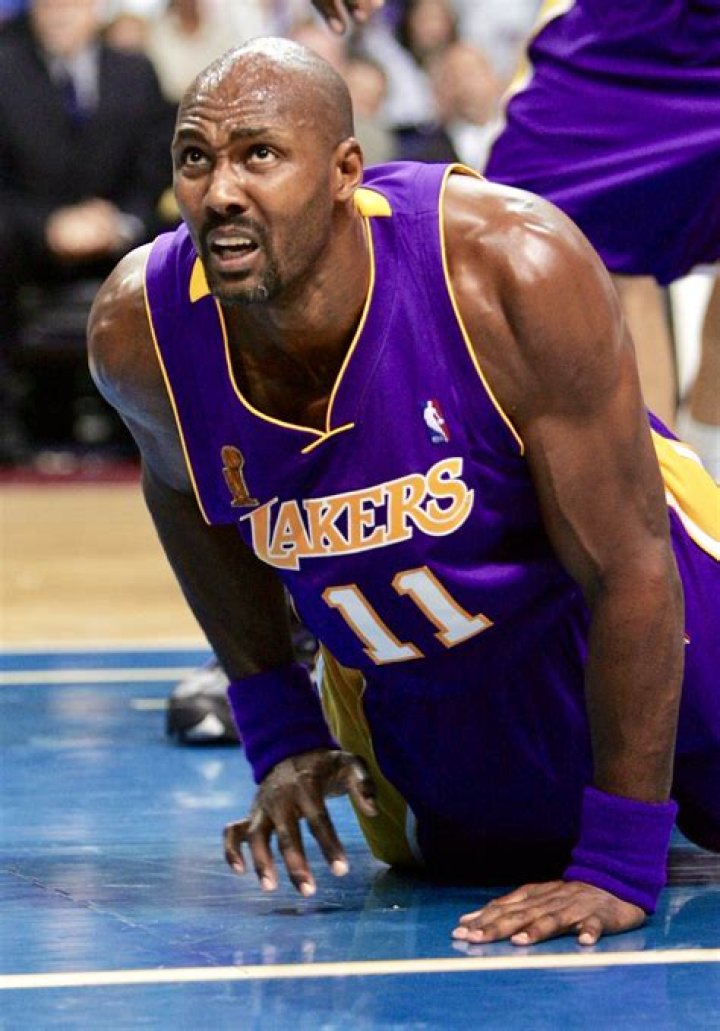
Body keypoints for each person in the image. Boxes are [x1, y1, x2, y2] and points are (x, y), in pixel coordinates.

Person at [88, 38, 719, 948]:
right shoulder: (140, 331)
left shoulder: (508, 265)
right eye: (196, 158)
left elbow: (630, 565)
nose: (220, 190)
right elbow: (185, 497)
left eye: (259, 155)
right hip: (434, 684)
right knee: (455, 874)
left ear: (345, 171)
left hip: (660, 606)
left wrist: (618, 867)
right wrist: (281, 730)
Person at [483, 1, 720, 452]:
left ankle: (704, 466)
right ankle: (667, 486)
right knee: (602, 254)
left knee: (616, 269)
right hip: (617, 29)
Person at [0, 0, 172, 461]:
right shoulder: (6, 68)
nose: (59, 12)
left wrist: (118, 221)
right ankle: (10, 432)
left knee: (176, 247)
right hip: (24, 245)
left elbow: (158, 170)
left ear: (96, 9)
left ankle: (155, 430)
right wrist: (48, 227)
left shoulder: (135, 72)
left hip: (120, 241)